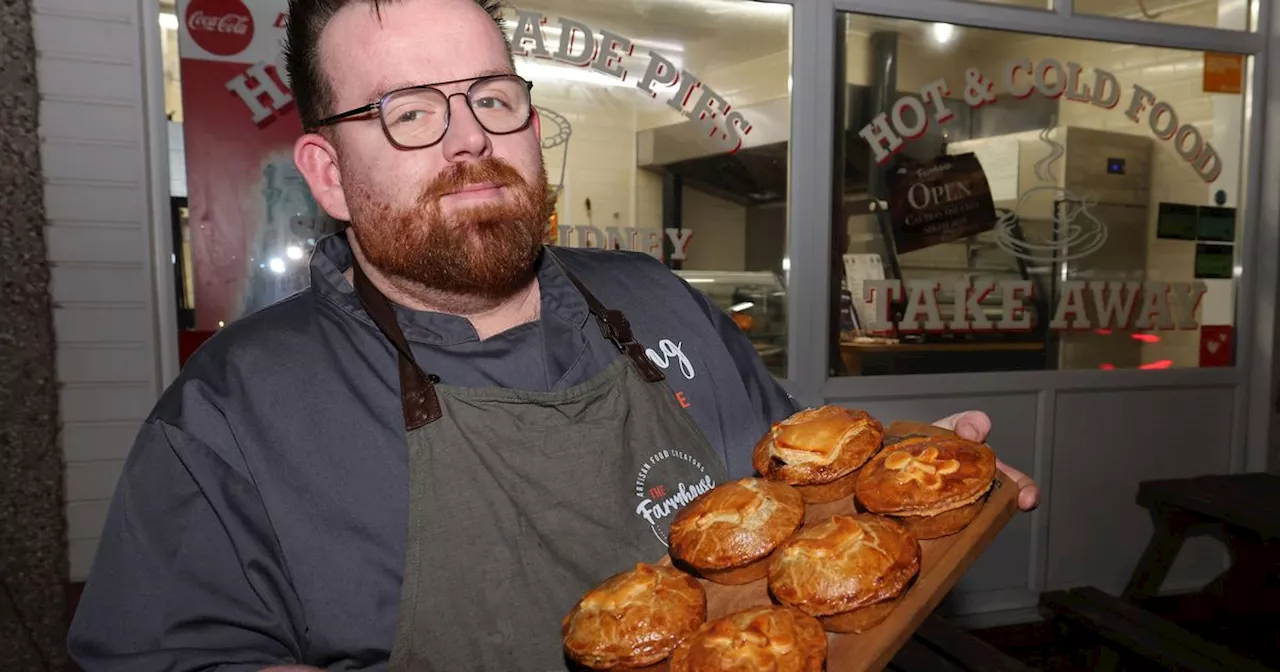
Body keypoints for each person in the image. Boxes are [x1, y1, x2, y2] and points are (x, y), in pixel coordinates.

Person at [66, 0, 1040, 670]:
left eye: (492, 96)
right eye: (407, 111)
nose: (470, 139)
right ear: (325, 174)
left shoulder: (657, 302)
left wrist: (907, 487)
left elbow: (792, 489)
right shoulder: (232, 413)